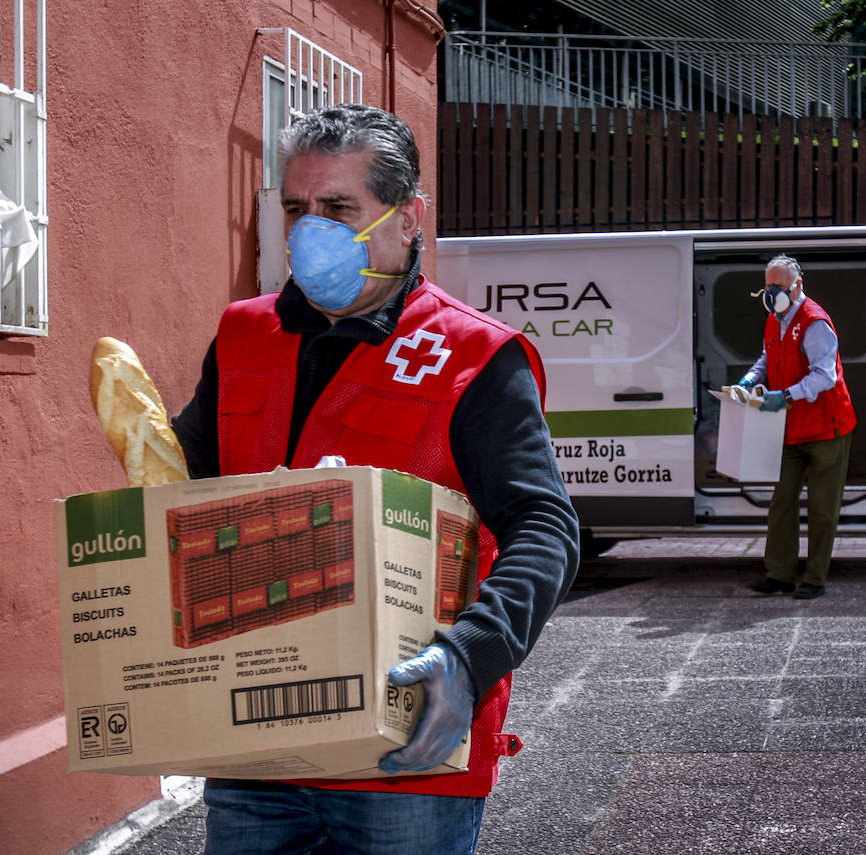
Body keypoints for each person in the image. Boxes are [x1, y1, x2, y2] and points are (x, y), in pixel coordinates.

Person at [169, 103, 580, 855]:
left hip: (403, 751)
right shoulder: (242, 334)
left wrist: (471, 655)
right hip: (254, 741)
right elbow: (184, 484)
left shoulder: (473, 357)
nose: (309, 231)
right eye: (296, 208)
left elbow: (546, 527)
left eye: (336, 208)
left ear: (407, 217)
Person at [738, 254, 856, 600]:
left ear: (797, 285)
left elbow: (824, 376)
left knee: (822, 509)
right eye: (768, 286)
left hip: (826, 430)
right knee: (782, 504)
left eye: (778, 287)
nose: (771, 293)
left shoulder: (814, 322)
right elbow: (767, 356)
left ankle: (815, 579)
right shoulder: (775, 320)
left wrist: (785, 395)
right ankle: (779, 575)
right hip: (791, 429)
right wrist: (752, 377)